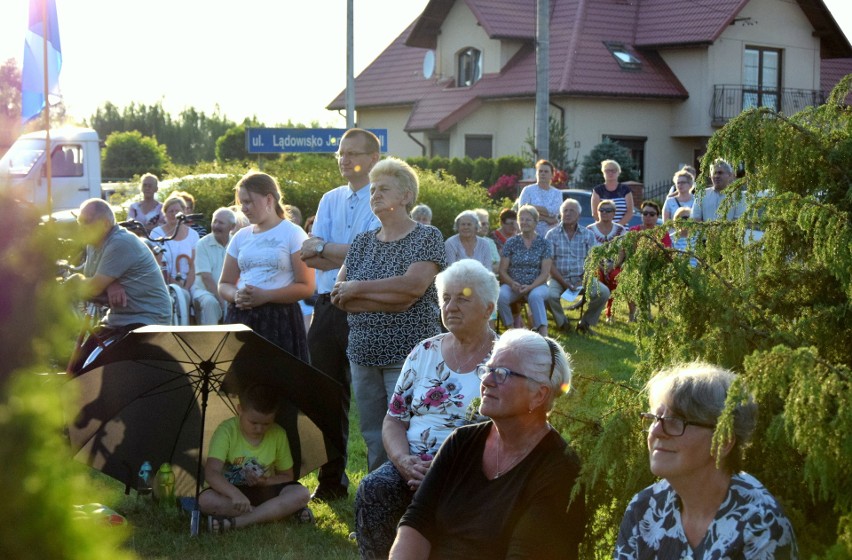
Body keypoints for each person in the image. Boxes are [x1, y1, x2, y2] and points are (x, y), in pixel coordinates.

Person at [390, 329, 586, 559]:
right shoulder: (461, 442)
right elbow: (417, 522)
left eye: (503, 373)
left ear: (539, 395)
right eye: (488, 369)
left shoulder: (560, 470)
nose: (487, 380)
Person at [354, 259, 497, 559]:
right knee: (373, 488)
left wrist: (444, 469)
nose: (451, 306)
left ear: (489, 309)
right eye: (446, 298)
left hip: (469, 469)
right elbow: (394, 419)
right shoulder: (425, 351)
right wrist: (403, 460)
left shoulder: (503, 361)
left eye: (463, 298)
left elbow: (505, 434)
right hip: (413, 465)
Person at [331, 157, 446, 473]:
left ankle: (412, 500)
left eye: (384, 189)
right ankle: (377, 500)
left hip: (408, 353)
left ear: (406, 196)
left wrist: (359, 288)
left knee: (411, 432)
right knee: (373, 435)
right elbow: (339, 296)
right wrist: (382, 298)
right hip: (363, 352)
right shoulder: (362, 243)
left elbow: (411, 289)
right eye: (372, 190)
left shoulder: (426, 236)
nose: (375, 195)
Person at [614, 363, 798, 558]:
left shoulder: (762, 525)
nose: (656, 431)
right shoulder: (645, 509)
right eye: (655, 418)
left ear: (723, 441)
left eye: (676, 421)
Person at [300, 128, 382, 501]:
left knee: (368, 397)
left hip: (362, 309)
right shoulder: (329, 198)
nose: (343, 159)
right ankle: (331, 482)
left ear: (373, 159)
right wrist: (338, 250)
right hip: (325, 308)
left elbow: (369, 254)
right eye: (340, 153)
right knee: (325, 397)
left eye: (352, 153)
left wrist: (325, 248)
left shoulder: (382, 201)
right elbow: (307, 254)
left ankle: (379, 485)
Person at [66, 199, 171, 372]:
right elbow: (93, 278)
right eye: (79, 222)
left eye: (86, 222)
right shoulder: (93, 243)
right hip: (119, 317)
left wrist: (79, 280)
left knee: (100, 369)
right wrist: (111, 283)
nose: (81, 227)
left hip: (147, 317)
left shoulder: (120, 242)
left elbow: (91, 288)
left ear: (105, 224)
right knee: (77, 367)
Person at [219, 171, 315, 357]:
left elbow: (306, 286)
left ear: (269, 199)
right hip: (241, 317)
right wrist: (236, 295)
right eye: (241, 203)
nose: (244, 208)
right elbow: (224, 283)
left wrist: (266, 296)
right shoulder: (241, 236)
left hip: (280, 320)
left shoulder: (292, 233)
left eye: (248, 202)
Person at [199, 384, 313, 532]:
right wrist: (235, 494)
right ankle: (277, 513)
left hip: (267, 491)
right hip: (233, 493)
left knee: (302, 493)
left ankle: (238, 522)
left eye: (266, 423)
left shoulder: (278, 434)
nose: (259, 429)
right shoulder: (226, 431)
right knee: (205, 500)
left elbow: (287, 476)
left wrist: (265, 482)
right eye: (253, 422)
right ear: (240, 410)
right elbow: (212, 473)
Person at [545, 198, 610, 335]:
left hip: (582, 277)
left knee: (603, 292)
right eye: (565, 211)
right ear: (561, 214)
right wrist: (564, 282)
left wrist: (584, 278)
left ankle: (585, 323)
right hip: (558, 278)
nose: (567, 214)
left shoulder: (588, 234)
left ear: (578, 215)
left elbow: (594, 260)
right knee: (549, 295)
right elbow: (549, 264)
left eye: (571, 211)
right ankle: (563, 323)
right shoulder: (551, 234)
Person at [497, 204, 553, 336]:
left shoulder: (544, 244)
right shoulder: (511, 242)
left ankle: (543, 334)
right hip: (514, 285)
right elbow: (502, 271)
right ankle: (511, 331)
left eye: (528, 219)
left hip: (537, 284)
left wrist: (530, 287)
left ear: (535, 222)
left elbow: (545, 273)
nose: (524, 222)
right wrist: (512, 283)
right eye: (521, 219)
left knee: (535, 295)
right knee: (500, 296)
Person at [625, 200, 672, 321]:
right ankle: (634, 314)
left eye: (652, 214)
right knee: (631, 279)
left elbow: (666, 253)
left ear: (657, 216)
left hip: (657, 267)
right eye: (645, 213)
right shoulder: (634, 231)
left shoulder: (662, 233)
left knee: (665, 283)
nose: (648, 217)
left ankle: (663, 316)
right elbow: (629, 251)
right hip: (637, 267)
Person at [191, 207, 236, 325]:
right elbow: (206, 277)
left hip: (228, 290)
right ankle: (209, 341)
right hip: (204, 290)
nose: (216, 226)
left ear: (232, 227)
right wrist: (221, 299)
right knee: (210, 303)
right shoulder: (202, 244)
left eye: (221, 223)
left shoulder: (236, 243)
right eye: (214, 221)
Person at [588, 199, 627, 323]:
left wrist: (613, 265)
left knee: (616, 277)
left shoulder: (620, 230)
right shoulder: (589, 229)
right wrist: (599, 265)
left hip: (614, 264)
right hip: (595, 265)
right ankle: (594, 314)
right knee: (595, 278)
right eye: (602, 210)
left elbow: (622, 251)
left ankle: (610, 313)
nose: (605, 213)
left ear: (614, 213)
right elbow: (588, 252)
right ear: (597, 212)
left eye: (608, 210)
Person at [151, 193, 200, 292]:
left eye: (177, 211)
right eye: (170, 211)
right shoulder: (156, 233)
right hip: (165, 282)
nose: (174, 214)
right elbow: (157, 263)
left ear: (184, 212)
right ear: (165, 214)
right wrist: (174, 284)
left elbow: (195, 265)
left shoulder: (193, 235)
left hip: (190, 283)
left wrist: (186, 288)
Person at [517, 159, 562, 237]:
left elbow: (554, 212)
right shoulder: (527, 190)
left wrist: (532, 208)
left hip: (551, 235)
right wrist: (547, 218)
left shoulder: (557, 193)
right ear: (536, 174)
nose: (543, 174)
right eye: (540, 171)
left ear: (552, 175)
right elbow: (523, 211)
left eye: (546, 171)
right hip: (530, 235)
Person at [591, 159, 635, 226]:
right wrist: (608, 228)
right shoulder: (597, 190)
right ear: (603, 173)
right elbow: (595, 213)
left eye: (613, 171)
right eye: (607, 171)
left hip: (622, 230)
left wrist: (617, 227)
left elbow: (630, 212)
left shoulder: (626, 190)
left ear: (618, 172)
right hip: (603, 230)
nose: (610, 173)